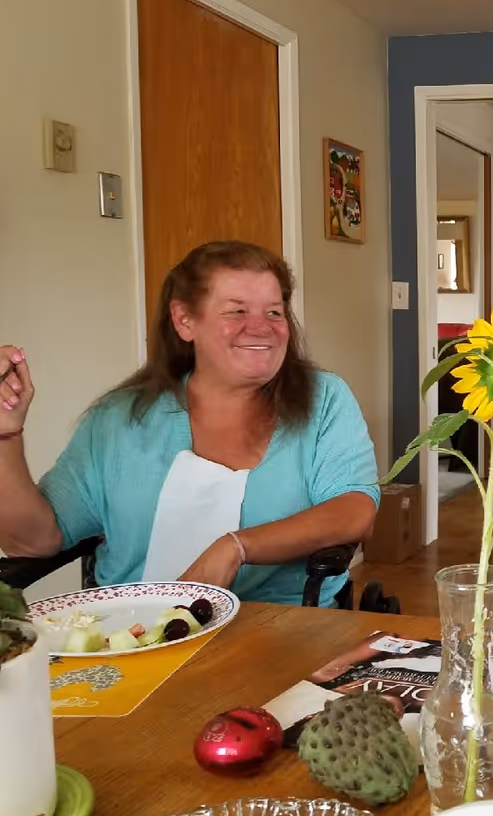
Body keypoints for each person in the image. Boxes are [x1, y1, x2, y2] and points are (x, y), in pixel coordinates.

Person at [0, 241, 379, 606]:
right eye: (236, 311)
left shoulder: (324, 398)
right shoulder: (121, 418)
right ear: (184, 321)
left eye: (274, 312)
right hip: (134, 634)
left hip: (276, 629)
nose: (262, 327)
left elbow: (354, 509)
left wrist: (238, 546)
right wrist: (5, 433)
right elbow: (33, 540)